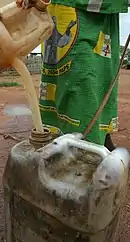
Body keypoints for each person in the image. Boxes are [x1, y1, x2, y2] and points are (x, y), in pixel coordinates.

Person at [17, 0, 130, 151]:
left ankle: (94, 142)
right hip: (59, 13)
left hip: (90, 18)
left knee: (88, 79)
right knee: (61, 83)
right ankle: (65, 142)